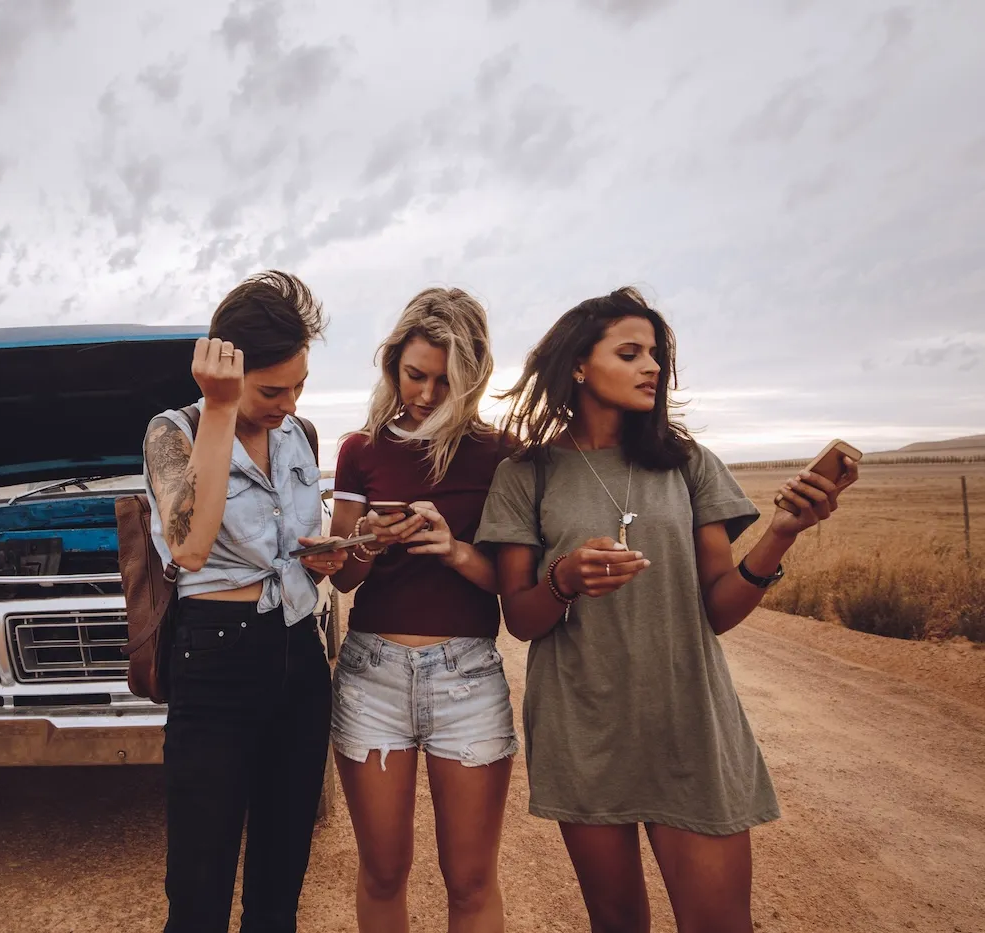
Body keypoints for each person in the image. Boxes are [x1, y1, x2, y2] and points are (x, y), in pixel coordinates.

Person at [475, 286, 859, 933]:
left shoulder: (687, 463)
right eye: (630, 352)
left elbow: (719, 607)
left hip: (689, 721)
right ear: (577, 365)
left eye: (656, 353)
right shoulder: (526, 474)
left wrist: (782, 532)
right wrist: (565, 578)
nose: (652, 366)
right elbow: (520, 617)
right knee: (619, 923)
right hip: (584, 725)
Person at [142, 270, 346, 933]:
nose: (287, 402)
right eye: (271, 389)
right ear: (227, 372)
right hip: (216, 659)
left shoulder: (299, 435)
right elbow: (189, 549)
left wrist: (330, 556)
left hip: (299, 655)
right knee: (199, 890)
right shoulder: (172, 432)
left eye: (299, 386)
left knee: (280, 883)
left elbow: (297, 552)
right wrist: (224, 409)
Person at [326, 288, 515, 933]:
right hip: (371, 677)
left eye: (446, 381)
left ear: (473, 379)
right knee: (382, 872)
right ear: (391, 365)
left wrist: (454, 549)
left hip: (468, 677)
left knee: (468, 881)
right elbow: (345, 580)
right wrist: (368, 545)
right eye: (415, 375)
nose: (428, 395)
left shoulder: (500, 454)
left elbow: (510, 588)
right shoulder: (361, 449)